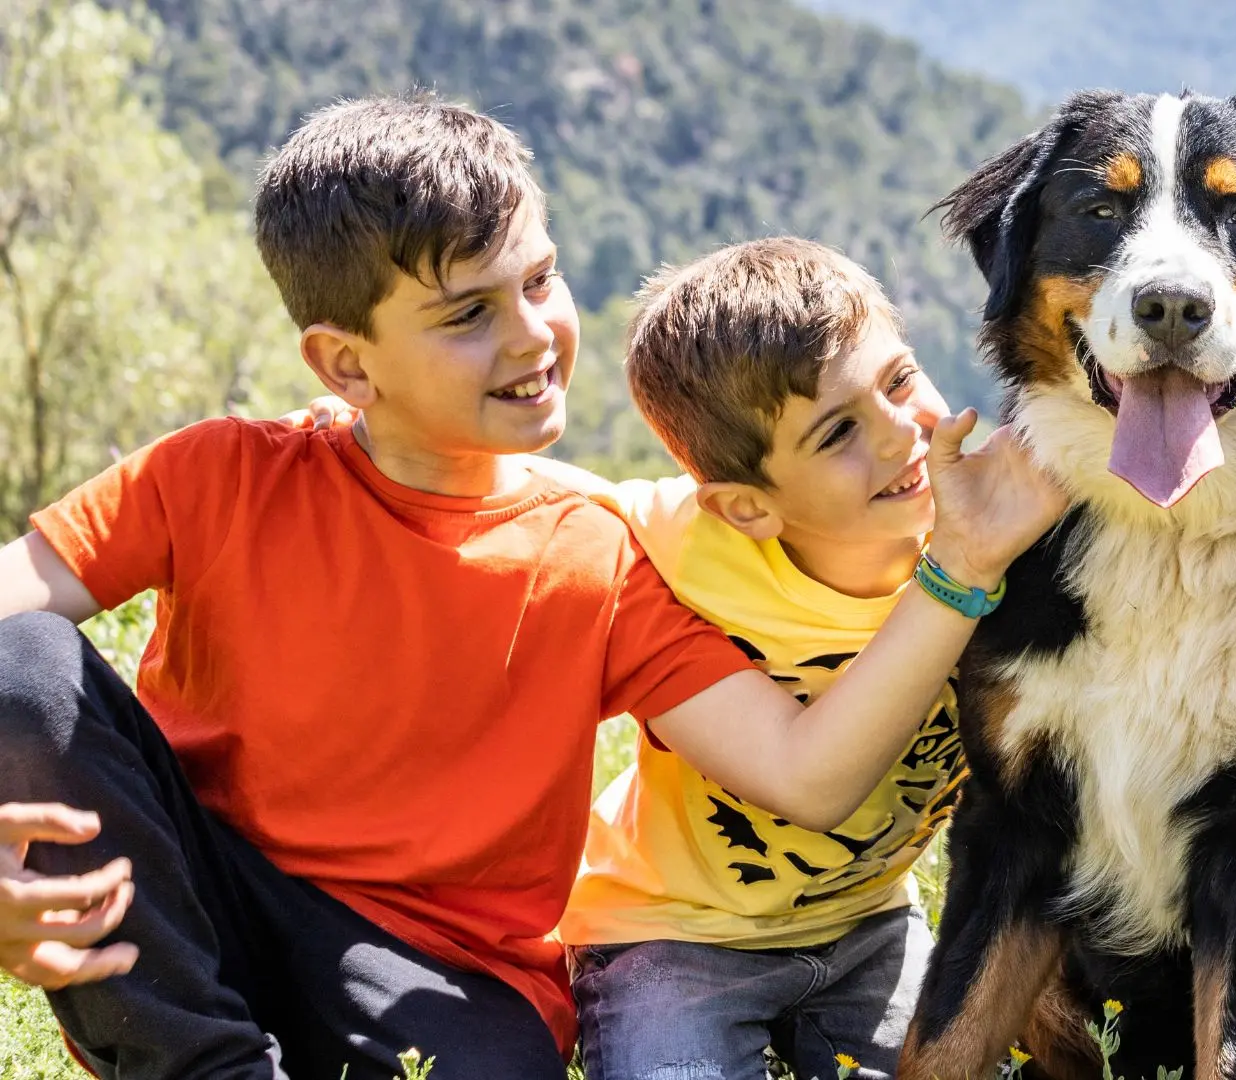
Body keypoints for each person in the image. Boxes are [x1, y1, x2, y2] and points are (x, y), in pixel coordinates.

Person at [0, 98, 1063, 1079]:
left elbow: (804, 773)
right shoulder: (219, 475)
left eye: (541, 280)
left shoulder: (598, 554)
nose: (531, 334)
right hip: (200, 900)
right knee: (23, 659)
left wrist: (962, 563)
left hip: (442, 974)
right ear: (347, 365)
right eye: (468, 313)